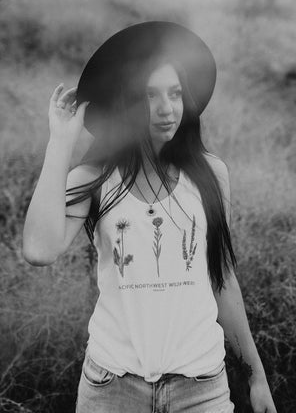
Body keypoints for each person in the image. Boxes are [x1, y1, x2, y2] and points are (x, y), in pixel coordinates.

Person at [22, 21, 277, 413]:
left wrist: (256, 376)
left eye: (175, 94)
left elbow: (222, 279)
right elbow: (39, 249)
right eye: (149, 96)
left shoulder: (211, 175)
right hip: (112, 388)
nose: (165, 109)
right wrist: (60, 141)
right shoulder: (94, 179)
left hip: (202, 388)